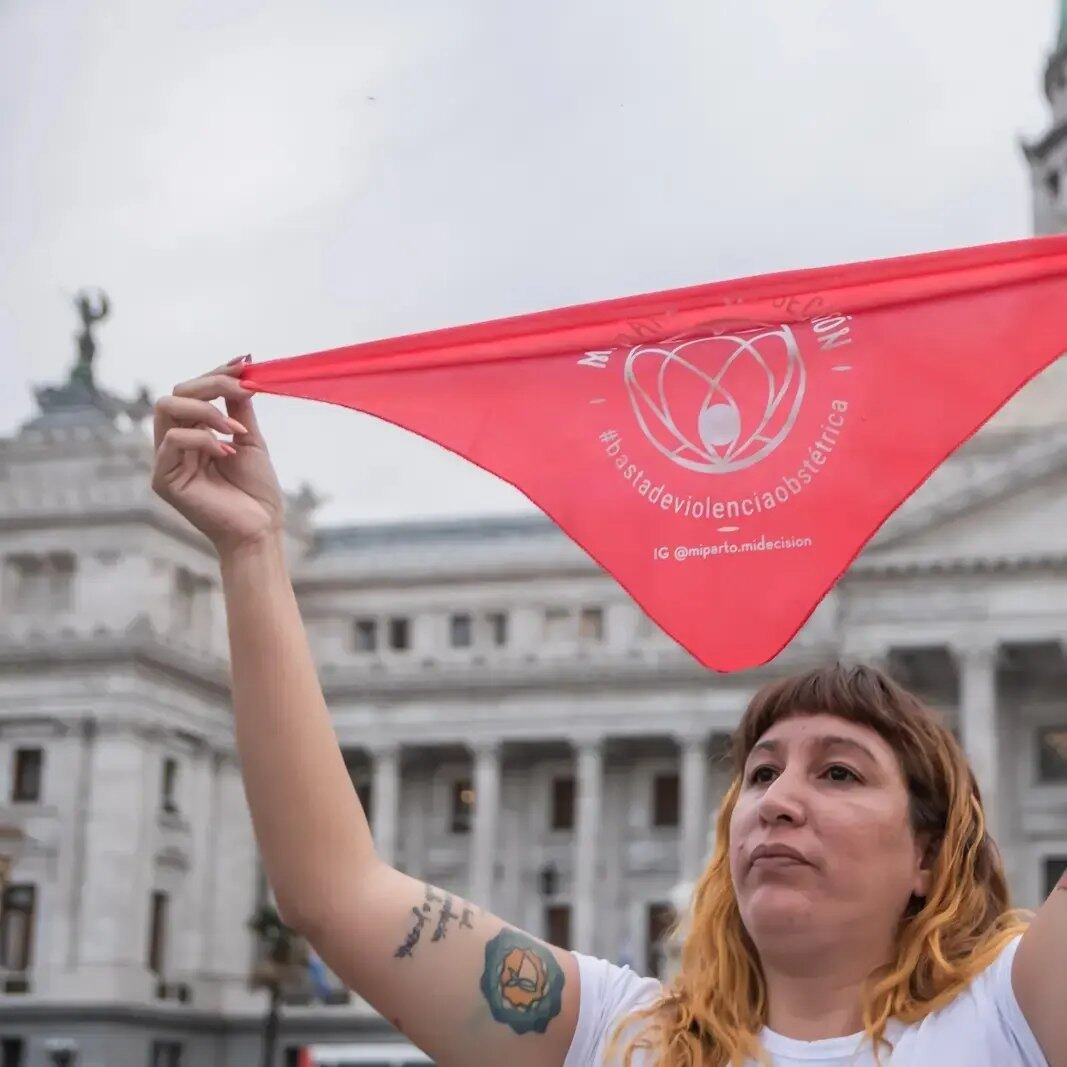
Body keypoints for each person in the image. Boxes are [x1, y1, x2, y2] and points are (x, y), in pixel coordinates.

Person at [151, 360, 1066, 1067]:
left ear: (928, 854)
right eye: (759, 772)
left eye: (837, 770)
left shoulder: (1010, 1015)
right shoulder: (618, 1033)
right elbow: (336, 894)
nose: (778, 800)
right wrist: (252, 552)